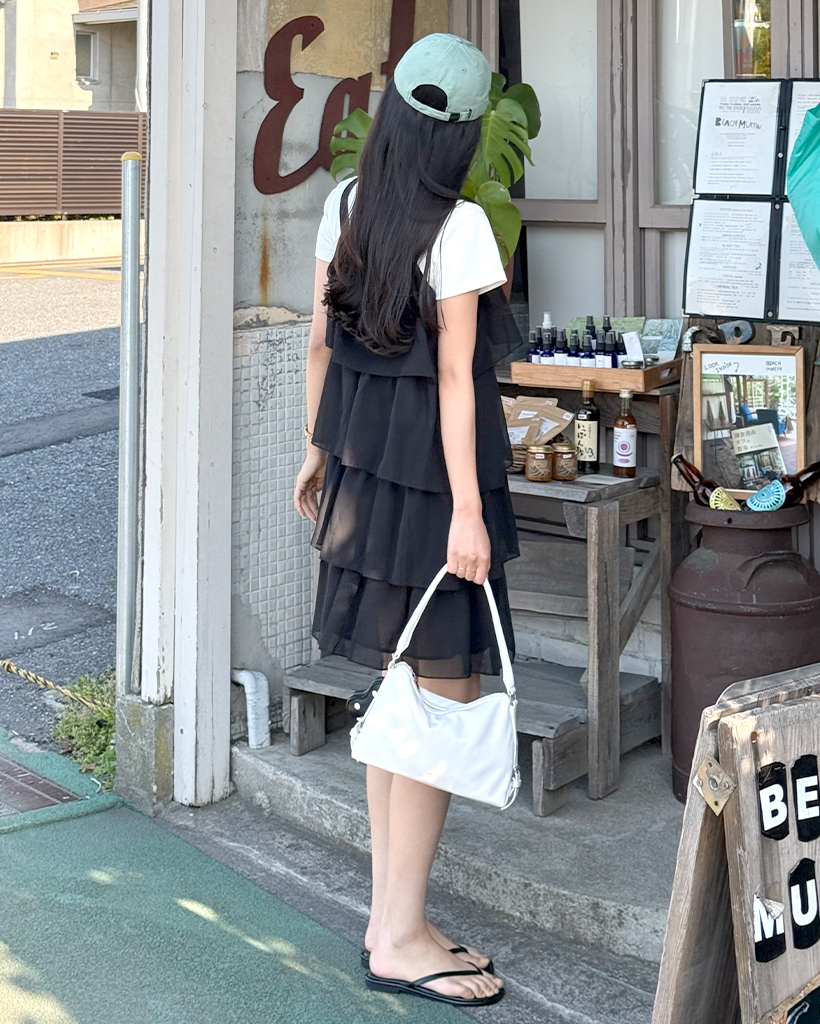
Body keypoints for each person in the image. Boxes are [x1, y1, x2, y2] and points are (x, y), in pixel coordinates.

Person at [293, 33, 520, 1009]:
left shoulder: (345, 204)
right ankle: (397, 935)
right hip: (433, 492)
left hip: (364, 483)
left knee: (402, 701)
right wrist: (468, 513)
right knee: (441, 699)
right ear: (460, 136)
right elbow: (457, 381)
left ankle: (392, 920)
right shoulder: (460, 227)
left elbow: (319, 344)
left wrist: (316, 452)